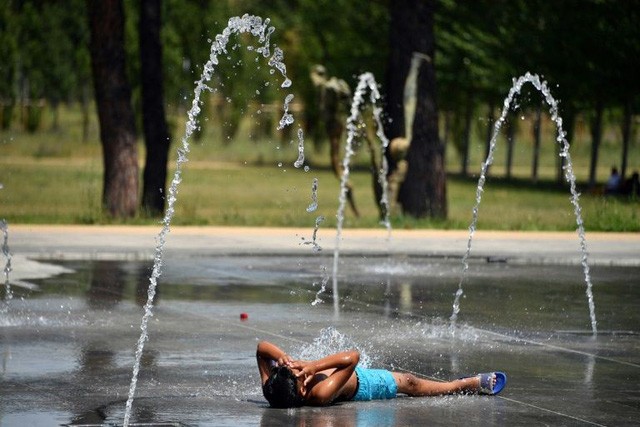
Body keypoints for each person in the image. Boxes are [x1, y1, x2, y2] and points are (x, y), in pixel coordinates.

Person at [256, 340, 506, 408]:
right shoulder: (319, 393)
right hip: (364, 385)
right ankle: (461, 385)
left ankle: (456, 384)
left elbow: (261, 349)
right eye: (300, 375)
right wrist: (313, 366)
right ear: (302, 391)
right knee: (410, 382)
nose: (300, 370)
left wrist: (282, 359)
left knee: (409, 380)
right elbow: (352, 358)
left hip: (346, 372)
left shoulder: (273, 390)